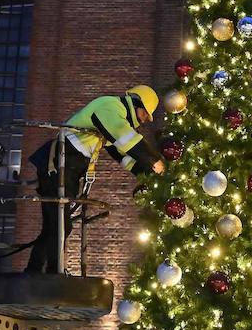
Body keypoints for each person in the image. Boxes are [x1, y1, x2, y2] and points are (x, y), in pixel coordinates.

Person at [22, 86, 165, 273]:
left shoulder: (114, 119)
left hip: (67, 168)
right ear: (136, 102)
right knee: (59, 223)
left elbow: (121, 154)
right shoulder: (110, 107)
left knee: (55, 223)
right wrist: (155, 161)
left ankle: (34, 272)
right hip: (59, 164)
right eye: (145, 113)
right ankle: (52, 272)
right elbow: (127, 140)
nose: (144, 119)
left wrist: (144, 173)